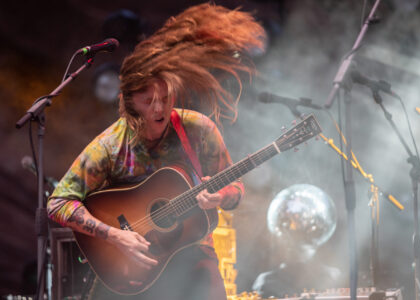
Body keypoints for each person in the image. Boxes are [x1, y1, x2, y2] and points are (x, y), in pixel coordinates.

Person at [47, 3, 265, 300]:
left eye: (165, 97)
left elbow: (236, 185)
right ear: (129, 102)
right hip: (132, 264)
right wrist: (115, 235)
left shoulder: (198, 129)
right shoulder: (111, 145)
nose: (160, 108)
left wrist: (221, 196)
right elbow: (58, 202)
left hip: (193, 251)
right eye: (148, 100)